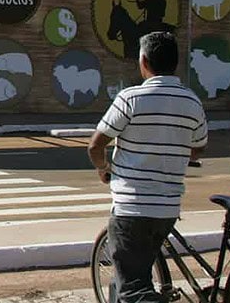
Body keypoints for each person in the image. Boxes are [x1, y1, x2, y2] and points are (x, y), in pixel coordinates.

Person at [87, 32, 208, 302]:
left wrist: (102, 168)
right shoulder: (192, 101)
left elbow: (95, 146)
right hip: (168, 209)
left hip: (132, 208)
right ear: (175, 63)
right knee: (140, 274)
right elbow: (198, 146)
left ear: (143, 61)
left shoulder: (130, 99)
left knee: (133, 290)